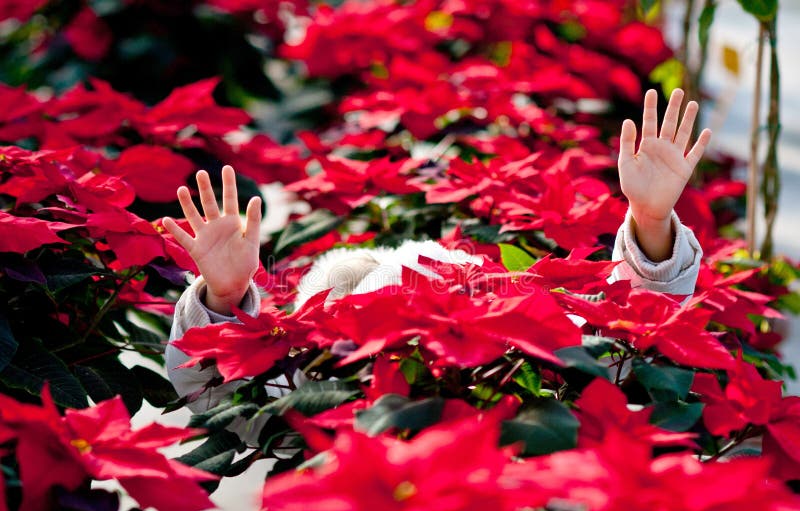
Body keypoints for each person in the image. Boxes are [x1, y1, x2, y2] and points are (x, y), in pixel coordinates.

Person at [162, 88, 710, 438]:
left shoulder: (525, 375)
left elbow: (626, 334)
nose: (413, 347)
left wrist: (651, 220)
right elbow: (223, 398)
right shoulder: (319, 402)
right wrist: (223, 299)